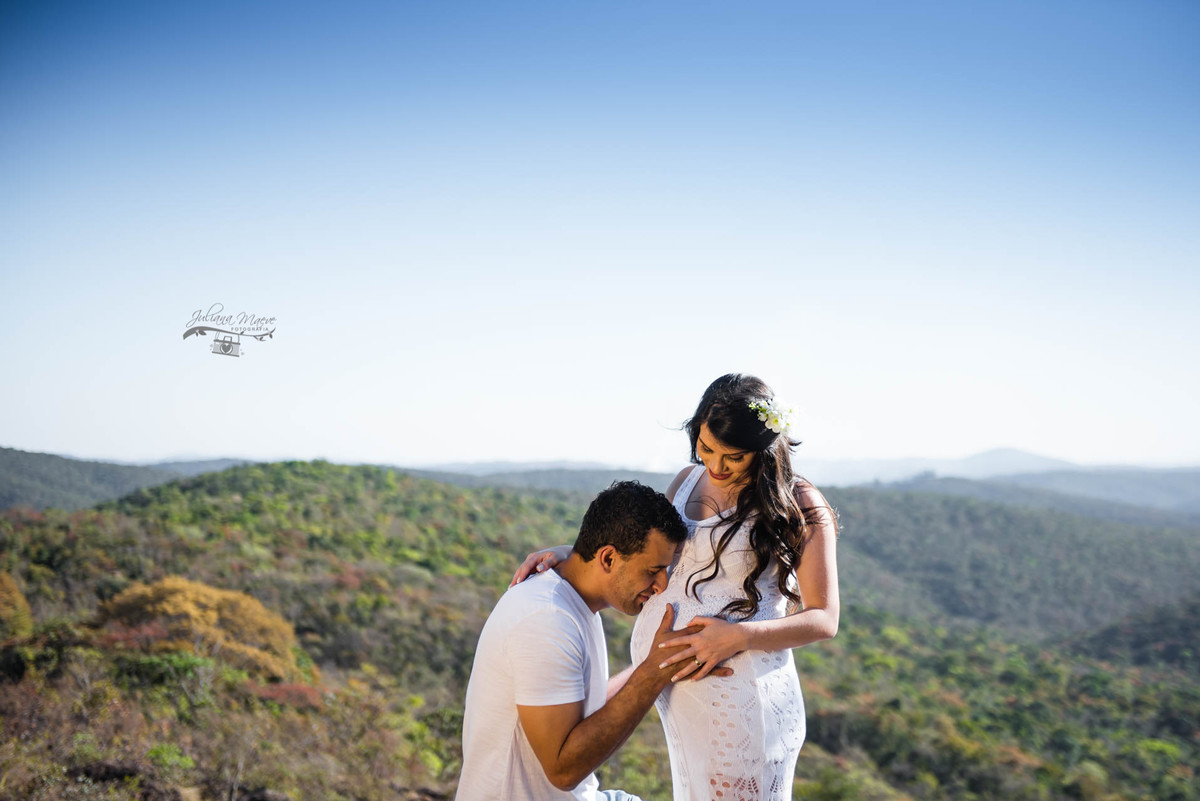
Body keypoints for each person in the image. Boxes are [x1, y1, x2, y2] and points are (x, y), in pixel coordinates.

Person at [513, 374, 839, 801]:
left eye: (734, 456)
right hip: (679, 696)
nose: (716, 466)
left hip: (740, 693)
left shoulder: (799, 501)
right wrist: (571, 553)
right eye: (706, 448)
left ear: (763, 448)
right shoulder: (687, 480)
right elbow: (645, 552)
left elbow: (824, 619)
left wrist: (737, 636)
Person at [457, 480, 734, 801]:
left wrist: (667, 660)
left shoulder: (573, 604)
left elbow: (582, 708)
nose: (661, 584)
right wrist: (652, 675)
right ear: (608, 558)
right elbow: (563, 771)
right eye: (653, 570)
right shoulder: (546, 619)